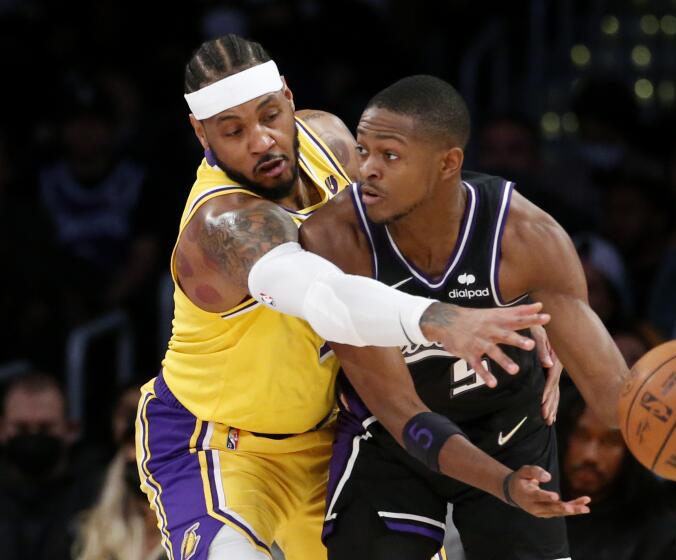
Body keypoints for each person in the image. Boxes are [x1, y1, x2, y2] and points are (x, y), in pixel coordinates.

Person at [138, 35, 563, 560]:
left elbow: (425, 214)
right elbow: (327, 297)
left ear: (290, 97)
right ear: (200, 132)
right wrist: (445, 318)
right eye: (233, 131)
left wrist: (514, 303)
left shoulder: (331, 140)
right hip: (222, 443)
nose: (262, 141)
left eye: (270, 115)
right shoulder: (221, 225)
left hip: (329, 435)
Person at [299, 74, 642, 560]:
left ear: (448, 163)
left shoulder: (526, 240)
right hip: (391, 437)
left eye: (389, 155)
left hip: (508, 427)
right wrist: (502, 486)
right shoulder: (335, 240)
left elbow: (614, 401)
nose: (367, 170)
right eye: (363, 150)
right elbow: (400, 410)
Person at [558, 384, 676, 560]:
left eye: (610, 441)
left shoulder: (658, 529)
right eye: (581, 435)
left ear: (631, 450)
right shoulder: (526, 500)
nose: (590, 455)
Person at [0, 372, 102, 560]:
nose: (33, 436)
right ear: (2, 429)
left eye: (45, 428)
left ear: (71, 429)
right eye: (21, 428)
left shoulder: (99, 494)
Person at [74, 418, 164, 560]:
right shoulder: (94, 532)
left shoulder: (193, 533)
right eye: (131, 446)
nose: (133, 454)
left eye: (149, 446)